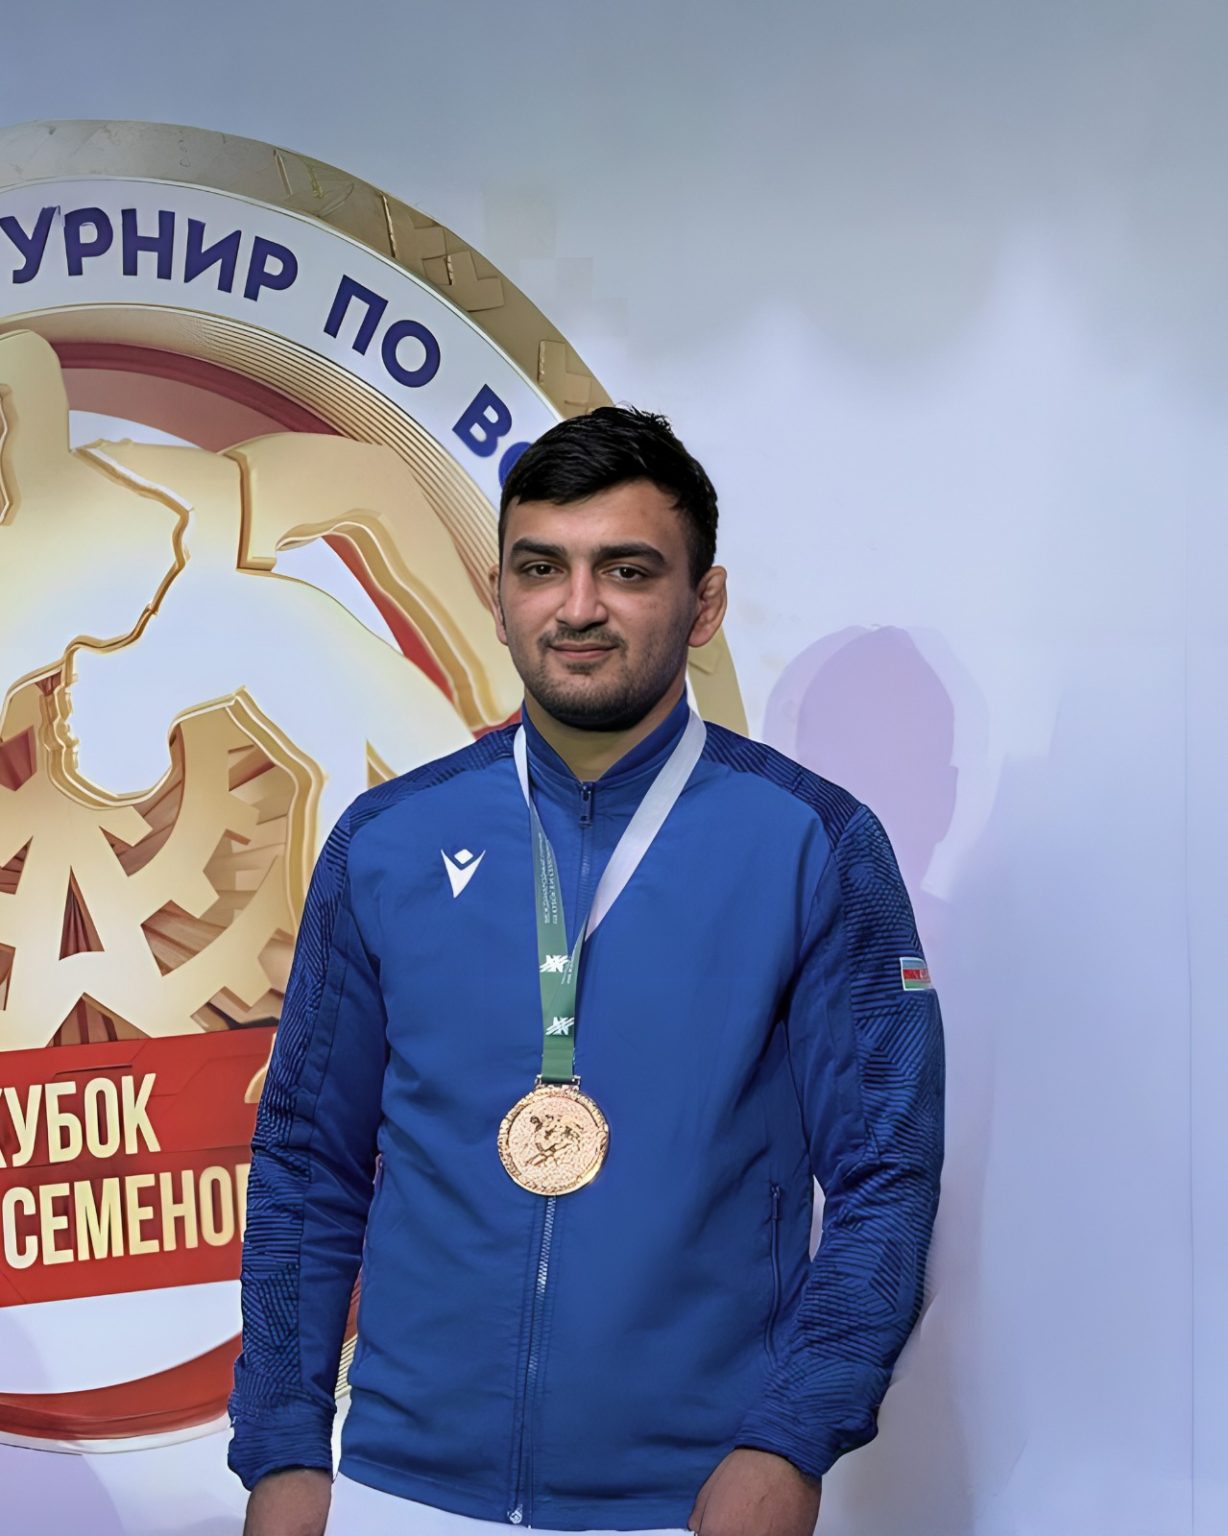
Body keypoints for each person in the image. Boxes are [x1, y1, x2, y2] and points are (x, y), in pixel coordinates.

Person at [228, 407, 945, 1536]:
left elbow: (884, 1174)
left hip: (694, 1499)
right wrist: (280, 1448)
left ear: (704, 604)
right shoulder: (388, 841)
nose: (577, 607)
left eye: (627, 569)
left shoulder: (811, 842)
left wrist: (789, 1440)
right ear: (498, 595)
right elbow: (306, 1162)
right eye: (540, 568)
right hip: (402, 1492)